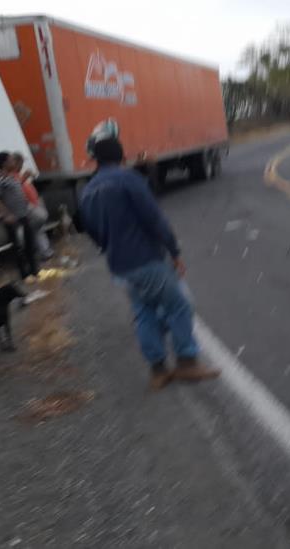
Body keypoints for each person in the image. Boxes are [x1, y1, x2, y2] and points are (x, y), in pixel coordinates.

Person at [78, 135, 219, 390]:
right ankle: (187, 362)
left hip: (119, 265)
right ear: (121, 157)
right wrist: (174, 252)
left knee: (144, 314)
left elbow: (92, 232)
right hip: (146, 259)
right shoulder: (128, 180)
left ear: (94, 161)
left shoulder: (87, 192)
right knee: (180, 305)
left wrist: (110, 246)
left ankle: (158, 371)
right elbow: (155, 219)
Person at [0, 152, 40, 281]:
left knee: (30, 242)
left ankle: (35, 271)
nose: (14, 162)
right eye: (11, 160)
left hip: (23, 214)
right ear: (4, 163)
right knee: (19, 247)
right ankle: (25, 275)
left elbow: (16, 187)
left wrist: (24, 178)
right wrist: (6, 214)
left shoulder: (11, 177)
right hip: (13, 218)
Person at [11, 152, 54, 260]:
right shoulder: (11, 177)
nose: (21, 165)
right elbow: (13, 190)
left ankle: (45, 252)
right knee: (35, 226)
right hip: (26, 208)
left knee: (38, 229)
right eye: (20, 163)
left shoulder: (18, 175)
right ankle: (38, 251)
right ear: (14, 163)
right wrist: (23, 179)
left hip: (33, 205)